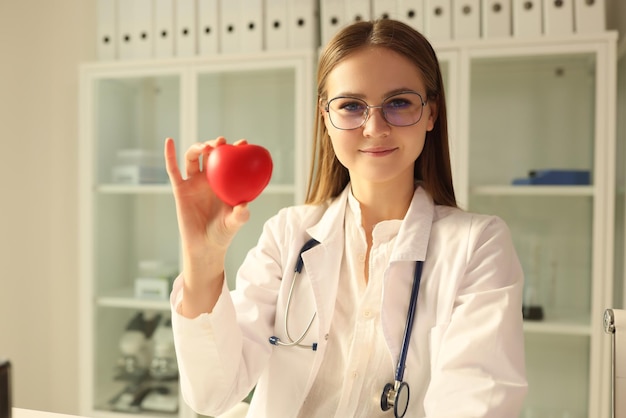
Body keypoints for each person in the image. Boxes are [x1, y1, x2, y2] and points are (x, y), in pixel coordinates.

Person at [164, 19, 527, 418]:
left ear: (431, 113)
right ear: (325, 117)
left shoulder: (478, 245)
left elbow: (477, 404)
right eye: (352, 106)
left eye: (399, 103)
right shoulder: (288, 235)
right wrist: (203, 259)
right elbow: (212, 394)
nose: (375, 127)